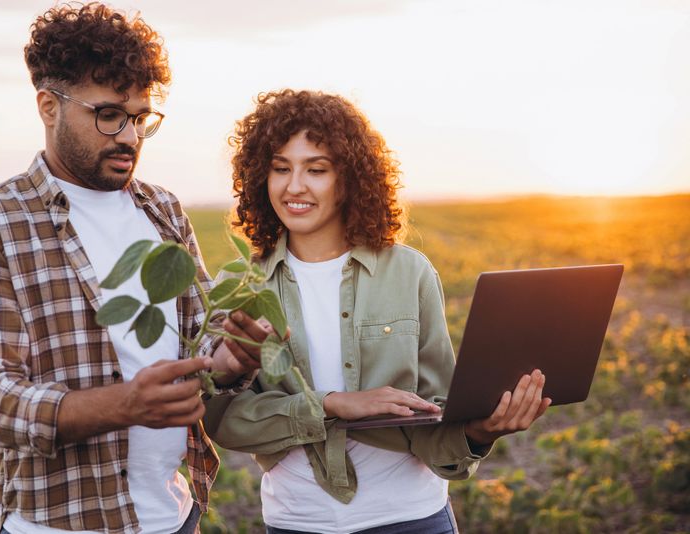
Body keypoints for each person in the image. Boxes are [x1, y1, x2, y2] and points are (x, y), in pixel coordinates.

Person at [0, 3, 269, 533]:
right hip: (60, 523)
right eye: (109, 114)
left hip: (175, 514)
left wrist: (231, 360)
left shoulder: (163, 210)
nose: (130, 137)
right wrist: (125, 405)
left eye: (140, 118)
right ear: (49, 106)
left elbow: (198, 343)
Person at [203, 89, 551, 533]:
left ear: (349, 179)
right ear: (259, 177)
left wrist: (482, 433)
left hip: (412, 518)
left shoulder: (409, 272)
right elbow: (224, 421)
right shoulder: (239, 284)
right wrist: (333, 405)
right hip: (298, 522)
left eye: (316, 169)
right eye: (280, 168)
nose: (294, 186)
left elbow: (434, 411)